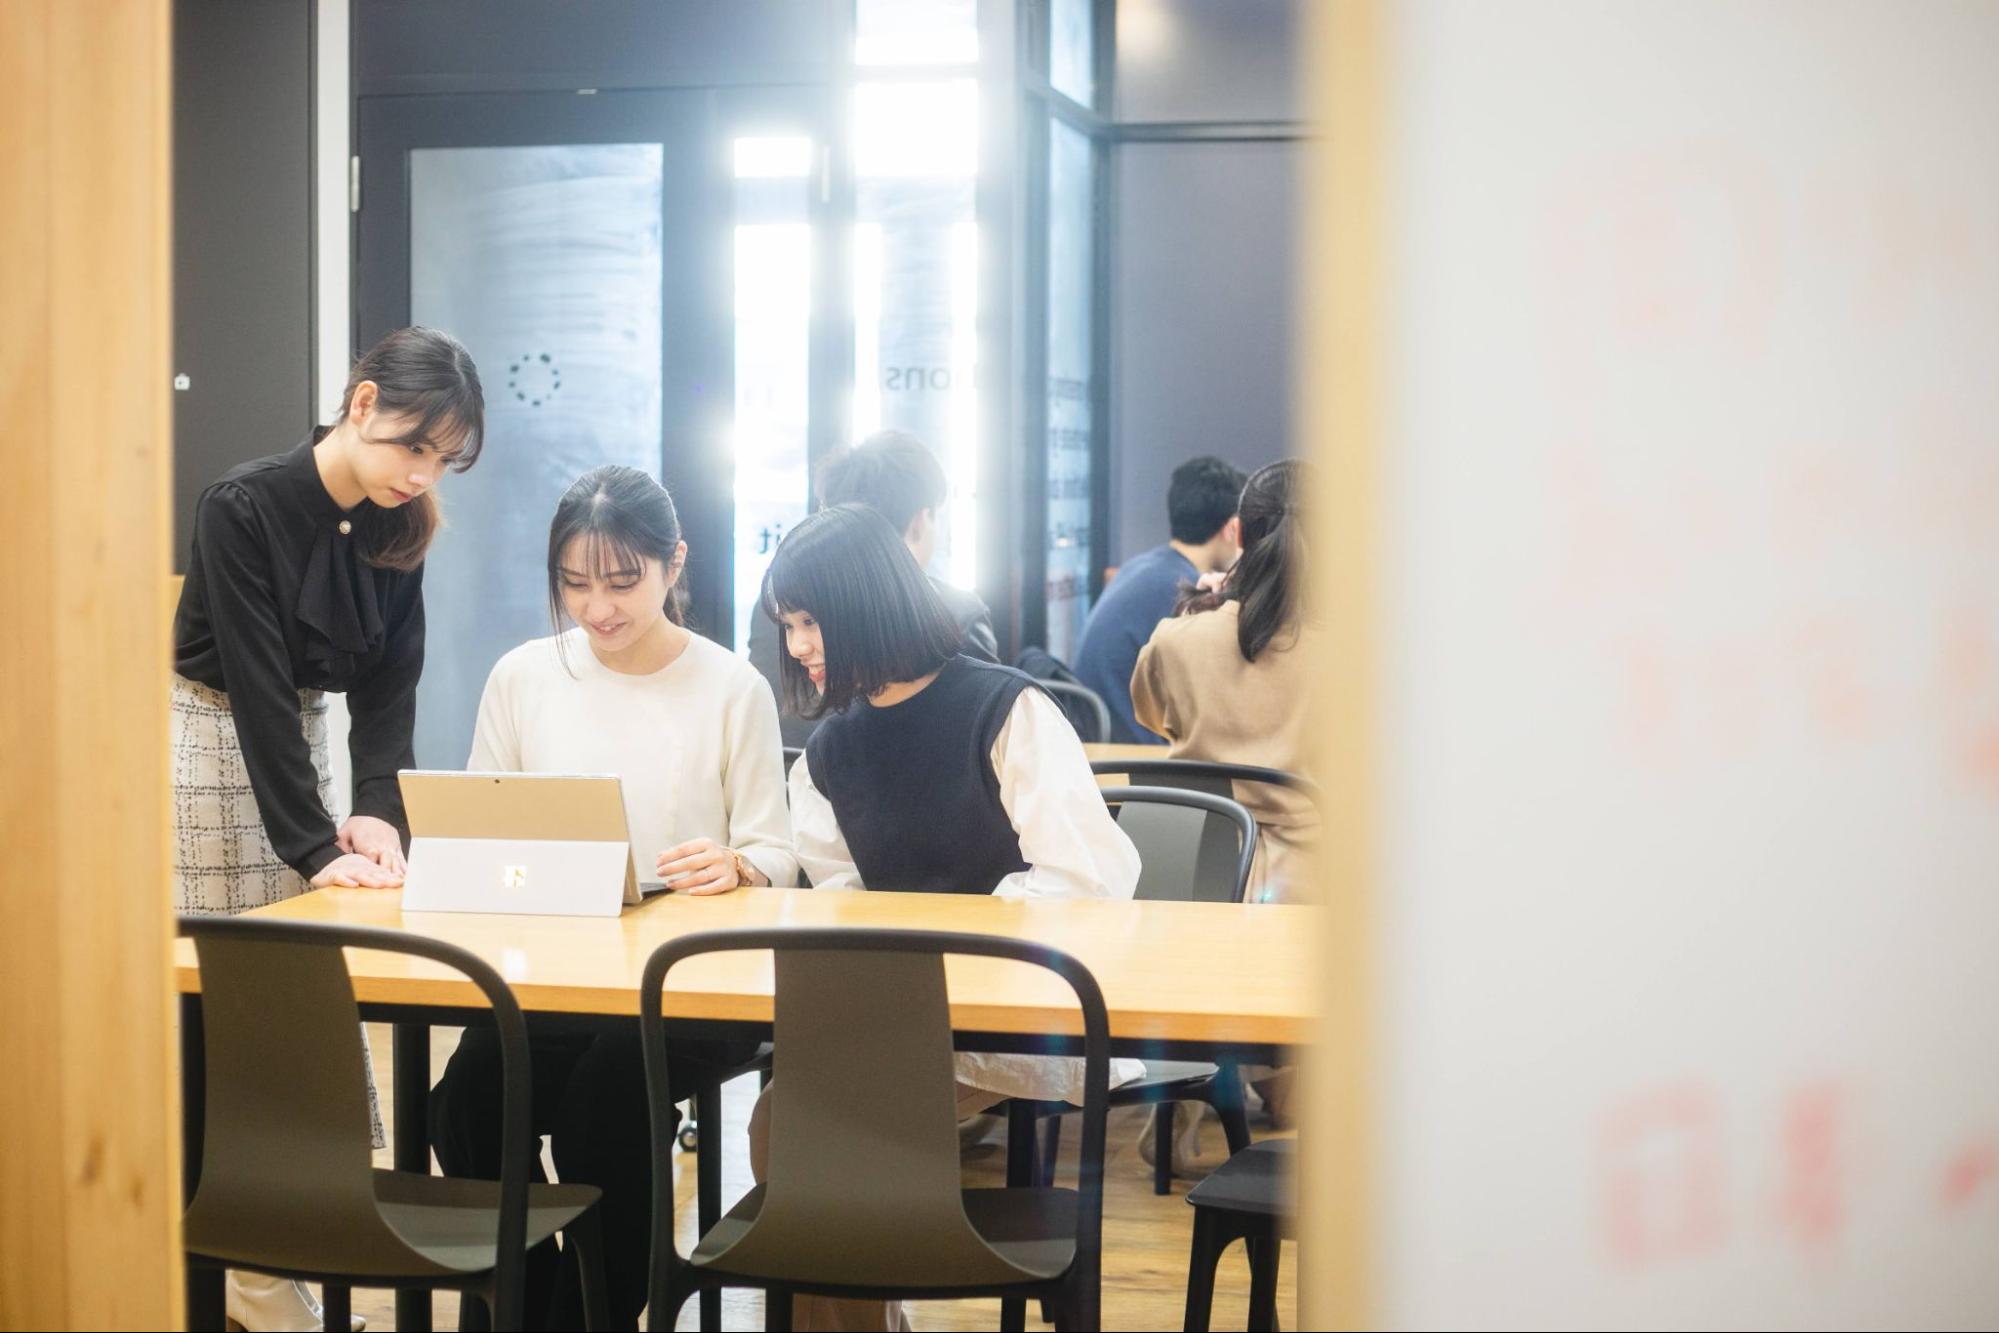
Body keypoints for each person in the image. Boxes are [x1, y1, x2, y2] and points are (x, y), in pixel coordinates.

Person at [756, 504, 1144, 1332]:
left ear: (868, 602)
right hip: (901, 1025)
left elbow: (1088, 878)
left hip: (1025, 1018)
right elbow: (841, 897)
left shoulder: (1004, 708)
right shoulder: (829, 751)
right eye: (787, 625)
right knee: (793, 1114)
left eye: (809, 620)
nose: (797, 645)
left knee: (806, 1117)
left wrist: (944, 944)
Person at [428, 465, 795, 1330]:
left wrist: (737, 865)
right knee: (468, 1095)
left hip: (690, 980)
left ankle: (603, 1302)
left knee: (602, 1103)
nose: (598, 608)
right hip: (557, 970)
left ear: (674, 564)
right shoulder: (523, 676)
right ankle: (542, 1292)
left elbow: (777, 849)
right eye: (576, 583)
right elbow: (481, 821)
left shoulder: (731, 685)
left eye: (622, 582)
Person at [171, 325, 485, 1332]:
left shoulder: (400, 528)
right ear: (359, 406)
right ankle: (252, 1288)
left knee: (304, 1031)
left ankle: (288, 1276)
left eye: (443, 459)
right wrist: (315, 845)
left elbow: (391, 696)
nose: (422, 473)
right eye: (413, 445)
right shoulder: (244, 503)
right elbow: (256, 693)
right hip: (208, 758)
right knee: (242, 1026)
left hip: (292, 761)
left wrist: (380, 816)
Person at [748, 430, 998, 747]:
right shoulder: (953, 610)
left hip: (783, 783)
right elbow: (988, 734)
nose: (798, 646)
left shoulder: (776, 601)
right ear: (922, 519)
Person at [1073, 456, 1245, 744]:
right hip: (1137, 756)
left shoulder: (1141, 568)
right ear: (1232, 529)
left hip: (1098, 745)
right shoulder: (1181, 589)